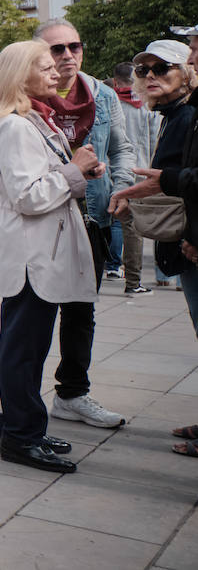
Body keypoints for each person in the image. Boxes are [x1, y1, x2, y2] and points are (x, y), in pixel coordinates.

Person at [0, 41, 102, 473]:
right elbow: (29, 197)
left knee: (27, 348)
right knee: (23, 350)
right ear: (20, 76)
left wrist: (76, 170)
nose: (56, 74)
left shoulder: (32, 120)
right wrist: (75, 170)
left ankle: (21, 424)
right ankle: (20, 435)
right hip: (30, 257)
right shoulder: (14, 126)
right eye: (46, 68)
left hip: (36, 254)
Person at [34, 20, 134, 429]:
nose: (67, 55)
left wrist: (122, 189)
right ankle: (22, 402)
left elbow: (121, 148)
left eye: (74, 46)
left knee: (80, 310)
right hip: (42, 217)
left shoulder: (103, 94)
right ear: (39, 54)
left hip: (91, 216)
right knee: (34, 312)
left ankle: (72, 394)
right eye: (56, 49)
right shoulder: (27, 92)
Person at [115, 34, 198, 455]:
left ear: (187, 72)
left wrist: (125, 194)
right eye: (143, 70)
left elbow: (176, 179)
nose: (149, 76)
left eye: (161, 68)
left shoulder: (188, 116)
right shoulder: (172, 115)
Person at [111, 60, 163, 293]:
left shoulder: (108, 104)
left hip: (110, 171)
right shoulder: (148, 107)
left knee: (103, 223)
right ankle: (133, 282)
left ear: (115, 81)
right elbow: (155, 141)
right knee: (132, 229)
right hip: (139, 173)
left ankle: (101, 272)